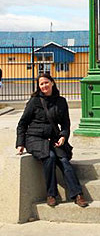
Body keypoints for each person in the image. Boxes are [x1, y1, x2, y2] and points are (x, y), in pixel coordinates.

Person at [16, 73, 88, 208]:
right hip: (34, 138)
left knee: (64, 161)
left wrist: (63, 136)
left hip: (54, 138)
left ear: (52, 83)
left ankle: (78, 195)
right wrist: (20, 143)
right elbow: (22, 124)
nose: (44, 86)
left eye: (46, 82)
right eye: (41, 84)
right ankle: (51, 194)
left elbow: (66, 124)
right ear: (38, 87)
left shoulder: (61, 101)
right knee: (50, 157)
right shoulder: (34, 101)